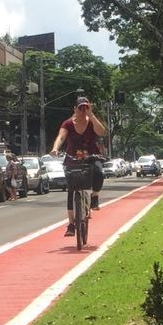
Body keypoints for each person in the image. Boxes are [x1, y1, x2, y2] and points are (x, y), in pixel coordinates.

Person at [50, 96, 106, 237]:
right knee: (71, 188)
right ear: (75, 109)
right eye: (80, 108)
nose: (82, 111)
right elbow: (61, 137)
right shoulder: (68, 123)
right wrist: (55, 148)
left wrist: (91, 115)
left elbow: (102, 132)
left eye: (85, 108)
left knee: (99, 172)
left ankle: (94, 196)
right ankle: (71, 224)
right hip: (73, 157)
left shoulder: (91, 121)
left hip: (91, 155)